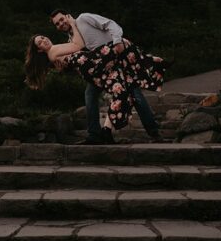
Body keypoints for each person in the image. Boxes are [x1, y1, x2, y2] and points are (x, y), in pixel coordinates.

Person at [25, 10, 165, 144]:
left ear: (68, 16)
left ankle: (150, 131)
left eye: (62, 19)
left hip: (114, 55)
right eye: (57, 23)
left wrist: (117, 41)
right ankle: (98, 133)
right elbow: (78, 54)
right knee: (94, 94)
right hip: (100, 67)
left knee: (132, 92)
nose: (61, 23)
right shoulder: (70, 38)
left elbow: (110, 24)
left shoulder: (83, 19)